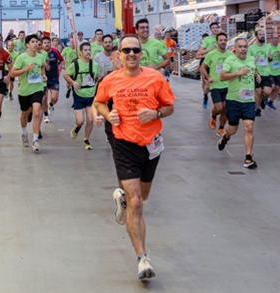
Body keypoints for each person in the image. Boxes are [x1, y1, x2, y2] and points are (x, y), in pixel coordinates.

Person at [93, 35, 175, 280]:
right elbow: (98, 103)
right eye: (126, 50)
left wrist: (156, 112)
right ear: (118, 54)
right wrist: (108, 116)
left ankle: (123, 199)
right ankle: (142, 258)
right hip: (123, 143)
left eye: (135, 50)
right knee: (137, 202)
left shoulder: (155, 77)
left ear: (141, 54)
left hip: (150, 144)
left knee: (143, 196)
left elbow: (170, 107)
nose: (131, 54)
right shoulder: (110, 80)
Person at [217, 37, 260, 169]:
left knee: (249, 127)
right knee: (233, 129)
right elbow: (222, 76)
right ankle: (225, 137)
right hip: (234, 100)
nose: (243, 49)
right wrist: (238, 73)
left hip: (248, 100)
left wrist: (257, 75)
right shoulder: (230, 60)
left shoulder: (251, 59)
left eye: (245, 47)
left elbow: (253, 69)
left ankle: (248, 158)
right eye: (240, 47)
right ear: (235, 48)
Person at [8, 34, 47, 153]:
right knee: (24, 114)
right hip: (24, 90)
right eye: (33, 42)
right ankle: (24, 133)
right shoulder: (22, 58)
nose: (36, 44)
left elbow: (42, 69)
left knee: (36, 112)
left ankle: (35, 140)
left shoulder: (41, 57)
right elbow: (12, 73)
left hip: (38, 88)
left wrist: (44, 76)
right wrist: (26, 69)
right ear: (27, 45)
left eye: (37, 42)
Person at [66, 42, 100, 149]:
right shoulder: (75, 64)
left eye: (89, 49)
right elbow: (66, 75)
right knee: (80, 120)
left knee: (90, 119)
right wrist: (73, 82)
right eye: (85, 50)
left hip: (91, 95)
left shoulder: (94, 64)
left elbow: (98, 77)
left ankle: (86, 140)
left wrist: (97, 87)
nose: (88, 52)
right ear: (81, 52)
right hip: (79, 95)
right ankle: (77, 127)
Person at [201, 32, 230, 136]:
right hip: (215, 85)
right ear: (217, 42)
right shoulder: (211, 54)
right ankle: (213, 116)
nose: (223, 42)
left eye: (224, 40)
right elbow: (202, 67)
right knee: (219, 108)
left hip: (228, 86)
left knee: (226, 109)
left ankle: (221, 128)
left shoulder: (230, 55)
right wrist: (208, 78)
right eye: (220, 40)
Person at [198, 23, 223, 109]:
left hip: (218, 63)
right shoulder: (207, 40)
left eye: (217, 27)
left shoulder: (221, 38)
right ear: (210, 29)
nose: (215, 29)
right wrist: (210, 49)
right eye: (213, 28)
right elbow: (200, 52)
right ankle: (205, 96)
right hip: (207, 63)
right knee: (207, 84)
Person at [250, 32, 275, 117]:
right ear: (256, 36)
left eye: (263, 34)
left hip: (266, 72)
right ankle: (257, 109)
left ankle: (262, 99)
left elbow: (270, 59)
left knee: (268, 92)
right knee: (258, 91)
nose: (262, 36)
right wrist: (253, 59)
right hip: (256, 72)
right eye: (260, 34)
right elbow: (248, 60)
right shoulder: (251, 48)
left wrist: (270, 58)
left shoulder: (268, 47)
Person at [42, 36, 64, 124]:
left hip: (54, 78)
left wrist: (61, 66)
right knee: (44, 99)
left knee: (54, 98)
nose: (46, 44)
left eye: (48, 42)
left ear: (50, 43)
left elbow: (62, 60)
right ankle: (46, 115)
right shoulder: (39, 53)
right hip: (43, 80)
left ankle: (51, 105)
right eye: (45, 43)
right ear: (42, 44)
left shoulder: (55, 52)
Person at [62, 33, 80, 100]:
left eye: (74, 42)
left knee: (75, 84)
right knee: (68, 83)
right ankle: (68, 89)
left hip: (76, 69)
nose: (73, 43)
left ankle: (75, 98)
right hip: (68, 69)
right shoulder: (66, 49)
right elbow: (61, 57)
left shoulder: (78, 49)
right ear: (69, 42)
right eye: (72, 42)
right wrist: (63, 62)